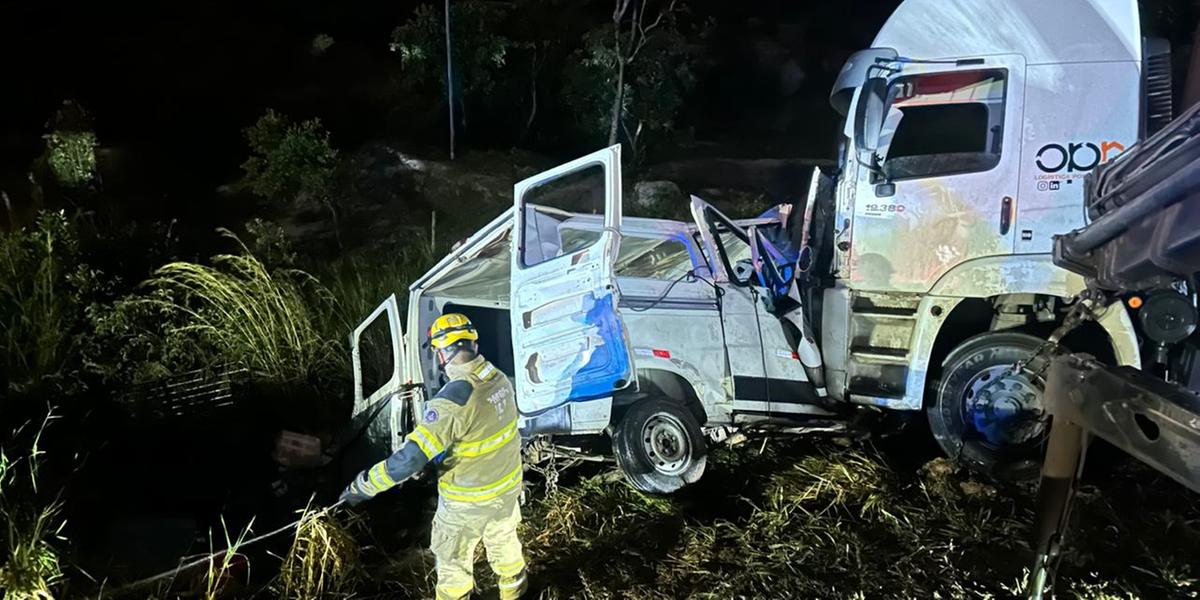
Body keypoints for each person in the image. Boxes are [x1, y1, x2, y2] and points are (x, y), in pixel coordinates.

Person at [341, 313, 527, 600]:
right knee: (504, 544)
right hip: (506, 490)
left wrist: (362, 486)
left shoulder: (453, 400)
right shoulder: (498, 378)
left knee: (453, 566)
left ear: (442, 353)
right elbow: (479, 434)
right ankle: (516, 593)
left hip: (467, 504)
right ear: (474, 344)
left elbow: (408, 461)